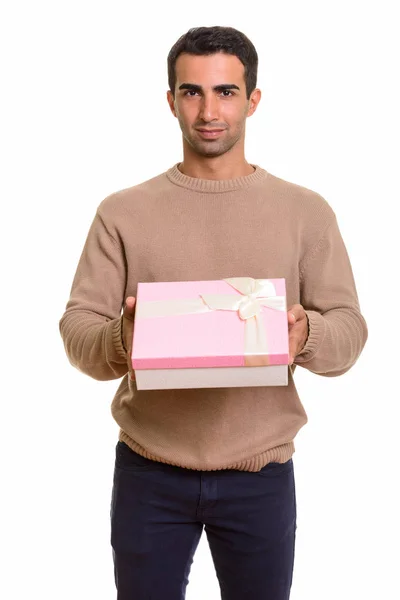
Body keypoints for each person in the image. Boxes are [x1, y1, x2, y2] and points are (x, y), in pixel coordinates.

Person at [59, 25, 368, 600]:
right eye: (191, 92)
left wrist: (306, 335)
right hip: (150, 471)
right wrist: (123, 340)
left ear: (253, 99)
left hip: (261, 474)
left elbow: (350, 329)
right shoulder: (123, 213)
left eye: (225, 92)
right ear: (171, 100)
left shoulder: (305, 212)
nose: (208, 110)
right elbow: (77, 330)